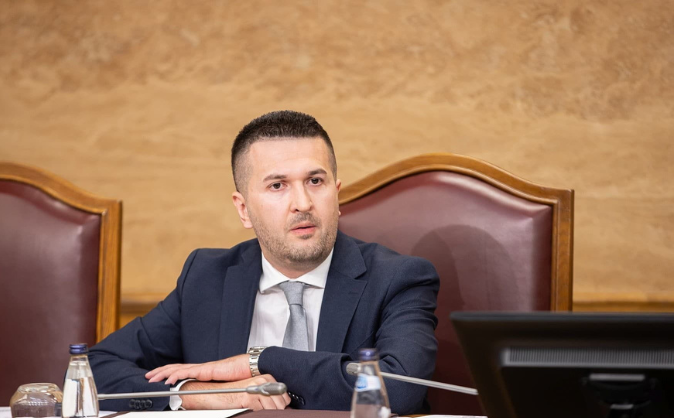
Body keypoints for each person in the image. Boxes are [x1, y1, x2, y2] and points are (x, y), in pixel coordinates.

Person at [89, 110, 440, 414]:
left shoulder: (397, 278)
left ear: (336, 195)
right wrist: (199, 394)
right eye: (277, 186)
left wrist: (258, 360)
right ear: (243, 209)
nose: (302, 203)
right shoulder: (206, 277)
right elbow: (93, 369)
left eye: (315, 181)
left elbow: (400, 389)